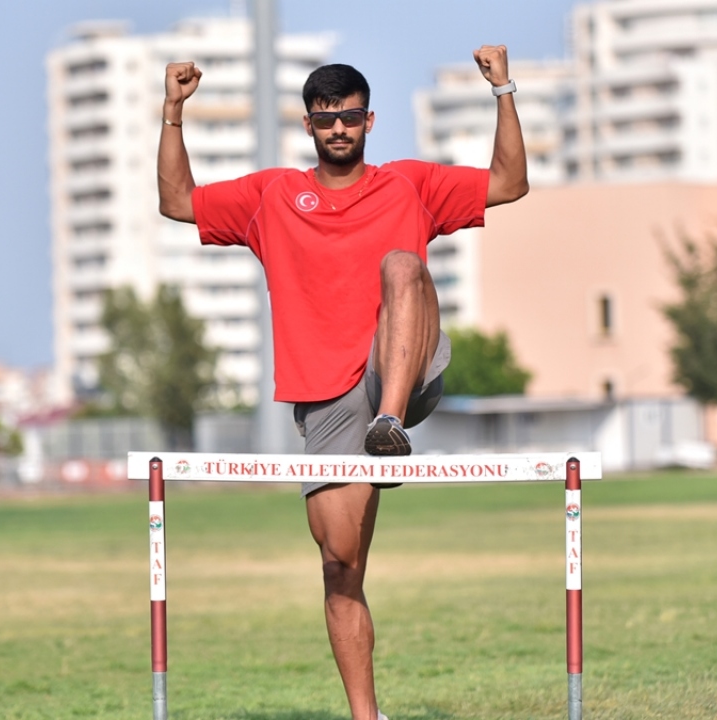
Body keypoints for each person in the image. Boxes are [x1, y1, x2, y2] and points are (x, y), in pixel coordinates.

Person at [157, 46, 527, 720]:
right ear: (308, 125)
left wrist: (503, 90)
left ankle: (389, 423)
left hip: (402, 370)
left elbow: (509, 182)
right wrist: (174, 110)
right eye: (326, 118)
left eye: (350, 117)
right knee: (340, 565)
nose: (338, 128)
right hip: (326, 398)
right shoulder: (272, 195)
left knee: (401, 265)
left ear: (368, 121)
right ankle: (367, 717)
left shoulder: (409, 184)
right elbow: (177, 202)